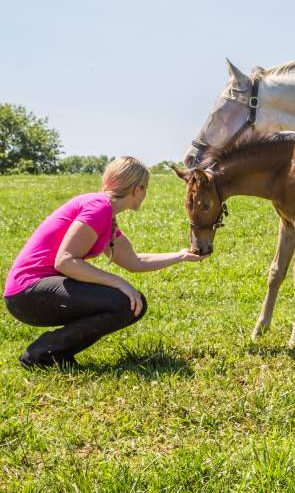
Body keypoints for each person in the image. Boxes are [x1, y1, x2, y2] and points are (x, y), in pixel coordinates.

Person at [3, 156, 207, 369]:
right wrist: (119, 282)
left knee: (133, 304)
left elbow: (135, 261)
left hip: (32, 293)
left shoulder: (105, 214)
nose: (145, 195)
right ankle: (41, 355)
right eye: (146, 189)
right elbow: (65, 261)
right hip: (27, 292)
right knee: (122, 302)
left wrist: (182, 255)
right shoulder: (98, 208)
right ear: (138, 189)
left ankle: (55, 355)